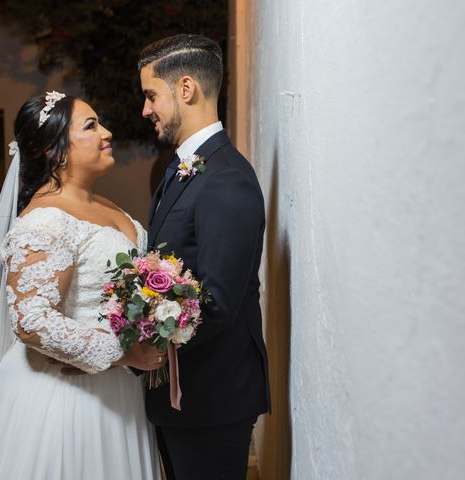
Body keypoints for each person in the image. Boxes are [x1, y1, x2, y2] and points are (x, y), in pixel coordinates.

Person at [0, 92, 163, 479]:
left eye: (100, 122)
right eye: (91, 126)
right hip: (63, 399)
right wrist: (124, 353)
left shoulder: (105, 204)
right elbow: (32, 321)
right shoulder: (44, 221)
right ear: (56, 152)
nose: (107, 132)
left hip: (115, 394)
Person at [139, 34, 271, 479]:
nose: (146, 109)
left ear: (187, 88)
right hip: (182, 398)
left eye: (151, 95)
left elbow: (215, 302)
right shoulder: (182, 170)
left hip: (212, 398)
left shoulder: (226, 178)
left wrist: (146, 346)